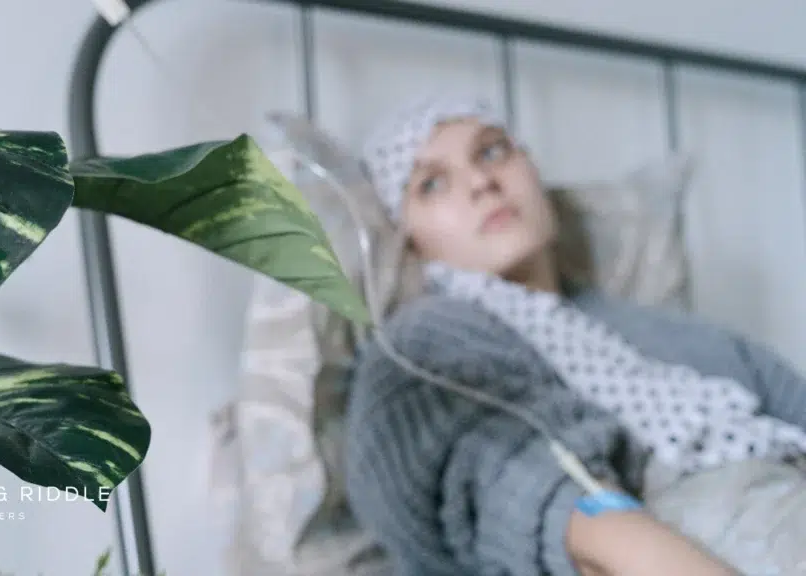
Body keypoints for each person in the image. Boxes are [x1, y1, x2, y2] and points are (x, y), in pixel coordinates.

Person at [344, 93, 806, 576]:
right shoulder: (425, 345)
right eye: (432, 184)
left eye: (492, 151)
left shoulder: (689, 338)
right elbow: (521, 485)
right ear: (407, 239)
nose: (482, 182)